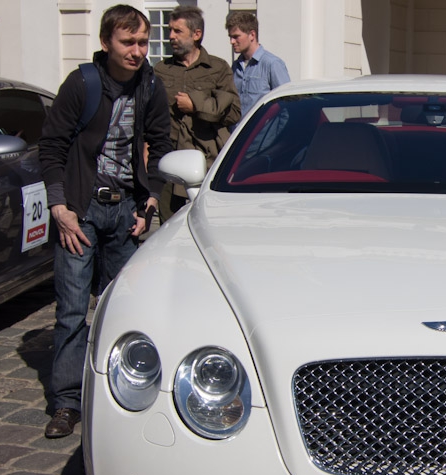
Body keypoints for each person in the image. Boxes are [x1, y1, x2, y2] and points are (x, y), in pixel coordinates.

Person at [39, 4, 172, 438]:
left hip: (125, 212)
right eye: (127, 42)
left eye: (141, 42)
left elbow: (161, 144)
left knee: (128, 309)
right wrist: (59, 207)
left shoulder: (151, 86)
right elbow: (52, 147)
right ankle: (67, 401)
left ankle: (130, 394)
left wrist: (150, 198)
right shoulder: (82, 83)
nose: (136, 51)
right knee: (73, 309)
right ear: (106, 43)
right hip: (80, 210)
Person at [154, 5, 240, 221]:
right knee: (169, 226)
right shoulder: (160, 70)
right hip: (169, 162)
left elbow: (234, 114)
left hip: (206, 163)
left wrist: (196, 106)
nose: (171, 36)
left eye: (177, 31)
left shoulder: (217, 68)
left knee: (209, 222)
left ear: (196, 34)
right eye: (169, 30)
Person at [226, 11, 291, 116]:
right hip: (238, 131)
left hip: (264, 132)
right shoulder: (235, 67)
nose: (231, 41)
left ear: (252, 35)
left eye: (236, 36)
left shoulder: (272, 64)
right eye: (230, 37)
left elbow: (287, 106)